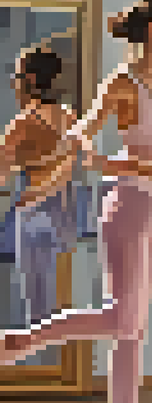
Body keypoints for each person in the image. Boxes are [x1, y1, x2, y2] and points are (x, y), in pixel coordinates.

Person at [0, 0, 152, 403]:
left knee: (133, 330)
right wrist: (102, 159)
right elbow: (84, 136)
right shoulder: (123, 81)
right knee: (122, 319)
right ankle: (19, 342)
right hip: (128, 203)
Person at [4, 47, 79, 328]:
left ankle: (43, 363)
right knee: (63, 303)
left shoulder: (23, 124)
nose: (14, 83)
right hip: (66, 215)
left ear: (31, 80)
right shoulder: (70, 119)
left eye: (17, 76)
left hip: (35, 213)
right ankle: (61, 362)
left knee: (37, 308)